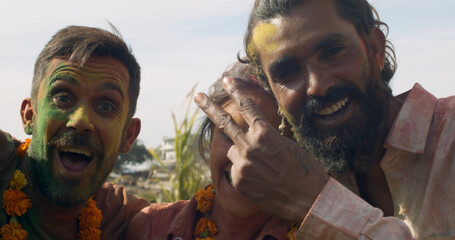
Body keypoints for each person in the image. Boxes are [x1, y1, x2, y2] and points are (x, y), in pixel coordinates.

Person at [194, 0, 455, 239]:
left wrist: (316, 203)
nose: (316, 86)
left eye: (332, 52)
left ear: (375, 48)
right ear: (271, 91)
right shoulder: (300, 175)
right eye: (286, 71)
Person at [0, 25, 150, 239]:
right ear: (30, 115)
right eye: (62, 98)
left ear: (128, 135)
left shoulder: (126, 219)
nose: (80, 121)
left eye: (106, 106)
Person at [126, 61, 297, 240]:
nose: (245, 158)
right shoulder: (151, 227)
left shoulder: (316, 231)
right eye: (229, 135)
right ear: (210, 139)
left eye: (267, 144)